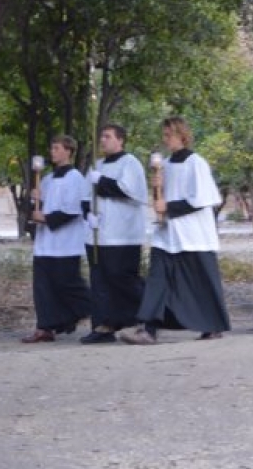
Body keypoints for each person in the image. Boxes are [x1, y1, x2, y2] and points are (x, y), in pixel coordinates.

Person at [121, 117, 230, 344]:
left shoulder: (196, 163)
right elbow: (160, 202)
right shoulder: (167, 165)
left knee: (201, 281)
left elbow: (203, 199)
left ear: (182, 135)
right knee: (157, 278)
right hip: (167, 234)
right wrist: (157, 187)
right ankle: (148, 329)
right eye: (164, 134)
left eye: (169, 134)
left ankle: (212, 325)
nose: (165, 139)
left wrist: (169, 206)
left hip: (193, 234)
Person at [80, 124, 148, 344]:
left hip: (122, 234)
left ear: (121, 140)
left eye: (108, 136)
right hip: (98, 234)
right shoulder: (96, 166)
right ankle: (103, 325)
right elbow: (85, 195)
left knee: (123, 279)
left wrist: (102, 181)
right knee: (100, 281)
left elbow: (130, 191)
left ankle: (142, 318)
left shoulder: (130, 163)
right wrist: (88, 214)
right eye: (101, 136)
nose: (103, 140)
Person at [22, 135, 92, 343]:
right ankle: (45, 327)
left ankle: (98, 309)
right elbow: (38, 208)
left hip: (65, 244)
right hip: (45, 244)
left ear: (68, 151)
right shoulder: (46, 179)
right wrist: (35, 200)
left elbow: (73, 210)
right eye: (52, 148)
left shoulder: (76, 179)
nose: (52, 152)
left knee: (67, 285)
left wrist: (46, 217)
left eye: (57, 148)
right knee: (43, 287)